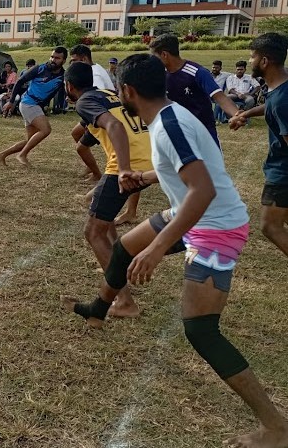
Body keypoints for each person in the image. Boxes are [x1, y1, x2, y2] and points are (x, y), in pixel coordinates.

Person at [62, 53, 288, 448]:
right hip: (189, 212)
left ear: (128, 91)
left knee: (201, 331)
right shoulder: (171, 115)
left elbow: (204, 190)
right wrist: (145, 176)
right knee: (122, 250)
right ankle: (100, 310)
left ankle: (276, 427)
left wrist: (158, 248)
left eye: (119, 89)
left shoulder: (169, 127)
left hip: (215, 228)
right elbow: (190, 170)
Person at [64, 61, 152, 319]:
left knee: (93, 232)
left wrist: (124, 169)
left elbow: (114, 127)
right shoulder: (109, 95)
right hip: (148, 159)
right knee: (106, 222)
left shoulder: (85, 101)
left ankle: (125, 302)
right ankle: (116, 269)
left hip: (127, 166)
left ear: (69, 85)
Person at [230, 33, 288, 256]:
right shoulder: (280, 87)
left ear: (264, 61)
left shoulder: (283, 100)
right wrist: (245, 113)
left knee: (270, 226)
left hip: (282, 173)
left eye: (252, 56)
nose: (250, 60)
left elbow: (277, 107)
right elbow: (269, 105)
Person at [149, 34, 239, 144]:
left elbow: (220, 97)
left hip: (203, 131)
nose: (152, 61)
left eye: (154, 57)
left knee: (211, 162)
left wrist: (236, 115)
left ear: (164, 55)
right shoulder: (159, 75)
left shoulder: (197, 72)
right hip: (176, 133)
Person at [0, 47, 67, 167]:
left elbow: (58, 92)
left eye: (57, 58)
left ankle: (2, 155)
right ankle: (22, 155)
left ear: (64, 60)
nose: (53, 59)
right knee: (46, 130)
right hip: (29, 103)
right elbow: (19, 82)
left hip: (36, 106)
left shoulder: (62, 77)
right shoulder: (40, 68)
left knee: (30, 140)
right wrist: (11, 102)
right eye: (52, 56)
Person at [69, 45, 115, 183]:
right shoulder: (96, 67)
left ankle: (97, 174)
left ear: (84, 58)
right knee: (76, 133)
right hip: (104, 110)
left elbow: (97, 96)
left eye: (75, 60)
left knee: (81, 147)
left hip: (103, 114)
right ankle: (89, 166)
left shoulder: (94, 74)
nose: (72, 64)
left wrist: (80, 100)